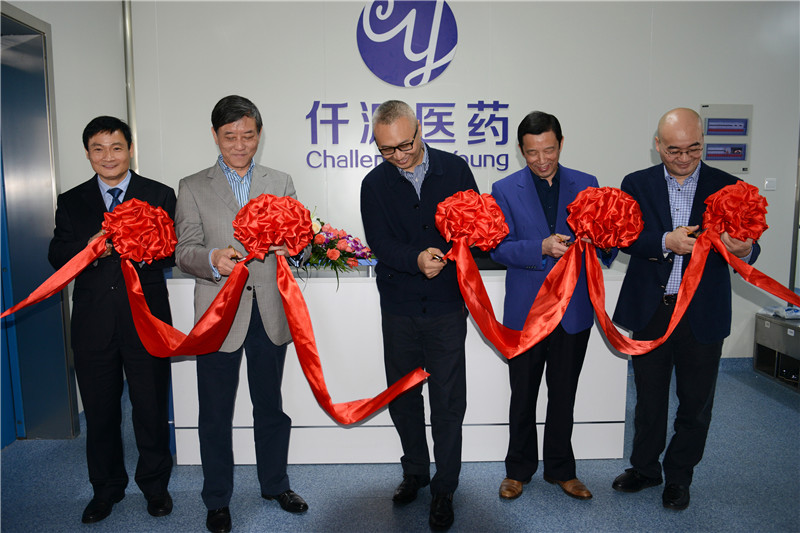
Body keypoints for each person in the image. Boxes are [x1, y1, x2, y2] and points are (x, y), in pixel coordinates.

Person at [611, 107, 760, 510]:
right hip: (652, 310)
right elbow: (626, 238)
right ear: (657, 145)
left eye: (693, 149)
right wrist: (665, 241)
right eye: (673, 150)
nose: (683, 158)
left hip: (702, 312)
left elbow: (751, 245)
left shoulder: (728, 186)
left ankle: (679, 476)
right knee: (649, 400)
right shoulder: (636, 184)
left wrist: (744, 248)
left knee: (695, 403)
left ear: (702, 142)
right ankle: (645, 469)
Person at [174, 95, 308, 533]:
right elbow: (184, 251)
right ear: (215, 135)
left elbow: (301, 245)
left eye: (247, 135)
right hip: (218, 314)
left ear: (259, 135)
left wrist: (294, 246)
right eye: (229, 136)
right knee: (215, 413)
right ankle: (217, 499)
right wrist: (213, 259)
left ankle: (275, 485)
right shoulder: (192, 186)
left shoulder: (280, 181)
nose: (239, 144)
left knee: (270, 407)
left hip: (268, 311)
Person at [48, 116, 175, 524]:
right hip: (93, 324)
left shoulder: (159, 194)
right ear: (87, 154)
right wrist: (85, 250)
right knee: (101, 412)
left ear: (130, 149)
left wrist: (145, 246)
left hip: (146, 319)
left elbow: (172, 252)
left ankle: (155, 486)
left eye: (116, 147)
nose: (108, 156)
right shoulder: (72, 200)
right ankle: (106, 489)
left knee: (150, 408)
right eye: (98, 149)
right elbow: (56, 254)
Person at [360, 100, 478, 531]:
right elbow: (379, 242)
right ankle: (415, 473)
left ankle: (445, 487)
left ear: (420, 130)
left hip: (446, 305)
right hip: (400, 307)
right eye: (387, 149)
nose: (399, 156)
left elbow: (475, 225)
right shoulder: (374, 184)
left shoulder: (455, 170)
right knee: (404, 397)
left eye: (405, 145)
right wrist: (415, 259)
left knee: (448, 401)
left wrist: (448, 252)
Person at [490, 111, 614, 503]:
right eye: (532, 152)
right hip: (526, 313)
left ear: (561, 143)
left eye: (548, 150)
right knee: (522, 395)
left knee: (564, 394)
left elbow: (604, 243)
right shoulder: (504, 188)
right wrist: (540, 248)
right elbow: (498, 248)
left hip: (572, 309)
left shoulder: (587, 184)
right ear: (521, 150)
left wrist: (607, 240)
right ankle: (517, 470)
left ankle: (562, 469)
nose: (541, 159)